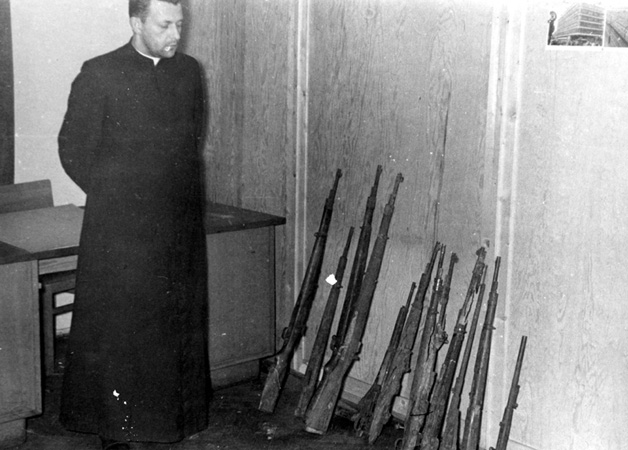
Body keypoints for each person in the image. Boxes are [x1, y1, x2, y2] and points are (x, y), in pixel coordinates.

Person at [57, 1, 209, 449]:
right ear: (136, 23)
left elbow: (192, 138)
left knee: (172, 324)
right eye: (165, 25)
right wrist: (117, 197)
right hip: (120, 229)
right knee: (121, 328)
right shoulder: (99, 73)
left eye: (179, 24)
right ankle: (117, 430)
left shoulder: (189, 72)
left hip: (177, 224)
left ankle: (168, 424)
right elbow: (73, 148)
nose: (175, 34)